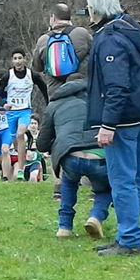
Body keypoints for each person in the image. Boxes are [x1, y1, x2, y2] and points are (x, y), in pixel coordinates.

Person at [86, 0, 140, 256]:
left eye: (89, 7)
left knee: (123, 180)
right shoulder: (130, 27)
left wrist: (107, 125)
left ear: (95, 9)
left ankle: (129, 239)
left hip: (124, 120)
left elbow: (116, 86)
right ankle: (129, 232)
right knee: (135, 178)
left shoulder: (109, 39)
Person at [38, 74, 113, 239]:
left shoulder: (54, 104)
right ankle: (96, 217)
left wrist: (57, 141)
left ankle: (64, 227)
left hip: (70, 155)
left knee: (69, 182)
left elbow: (41, 144)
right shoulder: (101, 101)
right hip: (99, 156)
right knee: (105, 189)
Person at [0, 48, 48, 180]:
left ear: (25, 59)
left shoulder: (32, 75)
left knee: (20, 134)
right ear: (12, 61)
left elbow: (44, 89)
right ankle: (20, 163)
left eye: (20, 58)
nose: (18, 61)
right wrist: (3, 104)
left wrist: (49, 103)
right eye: (15, 59)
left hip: (25, 110)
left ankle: (20, 169)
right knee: (15, 141)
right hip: (11, 112)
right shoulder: (8, 76)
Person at [33, 3, 92, 95]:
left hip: (56, 95)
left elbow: (37, 67)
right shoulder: (82, 34)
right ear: (69, 18)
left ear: (53, 18)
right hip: (80, 92)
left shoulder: (43, 40)